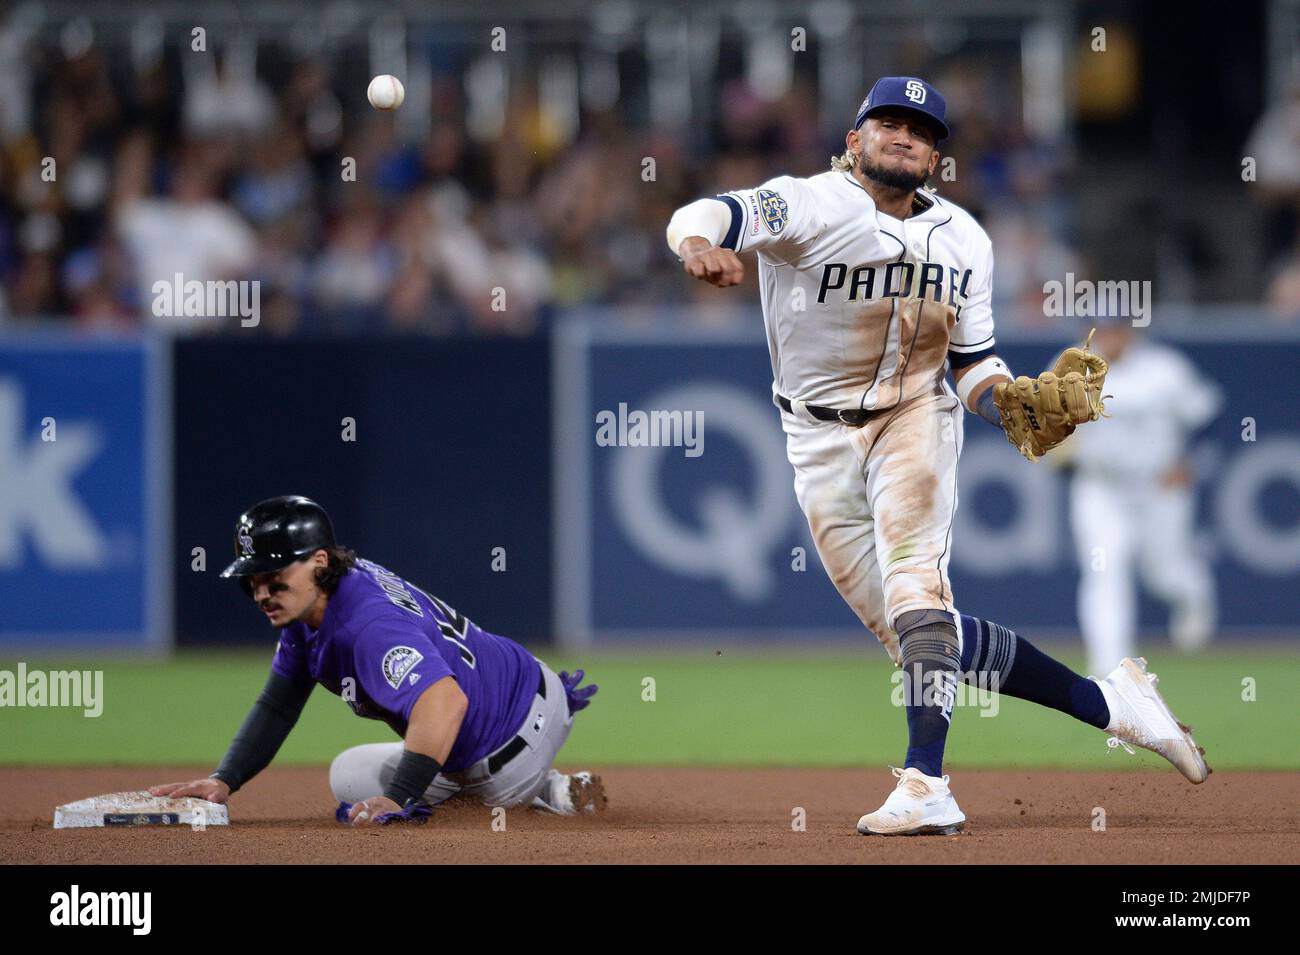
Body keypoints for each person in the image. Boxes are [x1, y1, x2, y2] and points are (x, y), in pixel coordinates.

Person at [666, 76, 1208, 836]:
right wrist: (697, 244)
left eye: (921, 131)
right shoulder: (809, 202)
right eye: (888, 122)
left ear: (935, 157)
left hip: (915, 416)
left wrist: (1014, 407)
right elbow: (707, 213)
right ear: (853, 140)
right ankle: (1118, 705)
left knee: (919, 588)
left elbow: (974, 365)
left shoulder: (967, 239)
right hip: (815, 439)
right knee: (920, 637)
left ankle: (927, 782)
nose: (905, 136)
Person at [149, 495, 604, 826]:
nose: (262, 592)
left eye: (274, 577)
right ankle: (538, 786)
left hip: (510, 735)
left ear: (319, 560)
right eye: (253, 581)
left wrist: (399, 799)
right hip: (518, 689)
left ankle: (539, 790)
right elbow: (279, 704)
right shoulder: (318, 600)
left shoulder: (365, 626)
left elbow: (444, 703)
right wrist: (223, 779)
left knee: (426, 804)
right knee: (349, 774)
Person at [1067, 320, 1222, 676]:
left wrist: (1190, 463)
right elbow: (1047, 427)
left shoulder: (1165, 369)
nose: (1107, 337)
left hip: (1158, 487)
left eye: (1114, 328)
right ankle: (1110, 669)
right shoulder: (1070, 368)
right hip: (1100, 487)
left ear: (1130, 331)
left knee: (1164, 573)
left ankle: (1194, 592)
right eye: (1099, 329)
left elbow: (1207, 417)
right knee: (1103, 569)